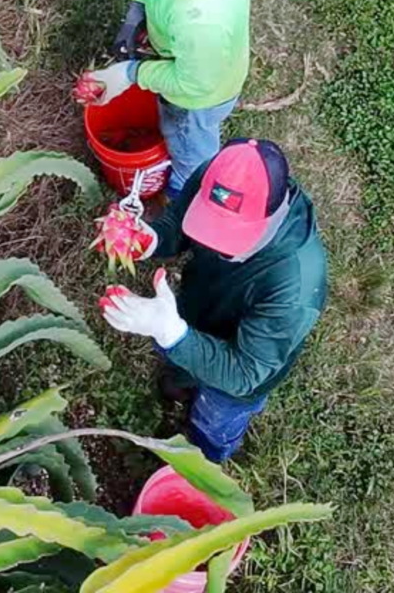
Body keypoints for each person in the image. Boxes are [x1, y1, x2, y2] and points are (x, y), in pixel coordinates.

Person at [100, 139, 327, 461]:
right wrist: (151, 239)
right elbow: (178, 224)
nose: (213, 241)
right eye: (210, 223)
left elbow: (244, 372)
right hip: (196, 311)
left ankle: (205, 460)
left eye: (228, 234)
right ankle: (180, 381)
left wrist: (170, 333)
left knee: (214, 421)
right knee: (180, 360)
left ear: (270, 219)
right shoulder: (216, 179)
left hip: (236, 377)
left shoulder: (296, 286)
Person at [72, 0, 250, 196]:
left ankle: (184, 197)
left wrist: (130, 74)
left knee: (189, 145)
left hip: (203, 94)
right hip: (208, 49)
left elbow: (196, 84)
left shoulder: (198, 15)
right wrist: (137, 9)